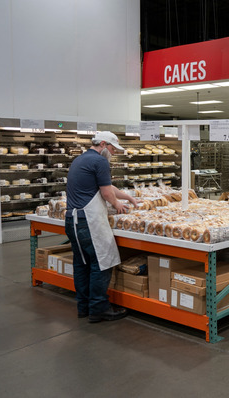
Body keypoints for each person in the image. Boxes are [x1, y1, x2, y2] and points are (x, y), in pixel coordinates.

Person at [65, 131, 138, 323]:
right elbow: (106, 193)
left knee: (82, 264)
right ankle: (99, 309)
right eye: (113, 149)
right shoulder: (100, 161)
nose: (113, 153)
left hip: (72, 219)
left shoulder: (80, 159)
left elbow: (105, 186)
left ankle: (84, 307)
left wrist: (128, 197)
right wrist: (117, 205)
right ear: (103, 144)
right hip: (89, 221)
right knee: (102, 262)